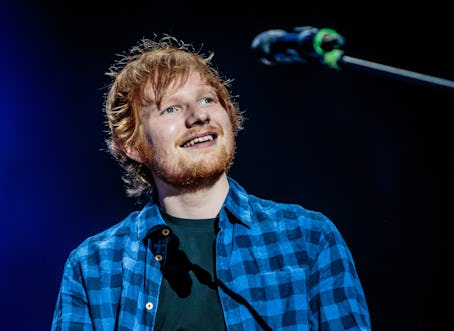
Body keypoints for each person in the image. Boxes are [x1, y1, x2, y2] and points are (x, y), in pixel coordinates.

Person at [51, 32, 371, 331]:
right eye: (172, 108)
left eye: (207, 100)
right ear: (132, 145)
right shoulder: (94, 266)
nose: (198, 116)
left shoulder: (308, 240)